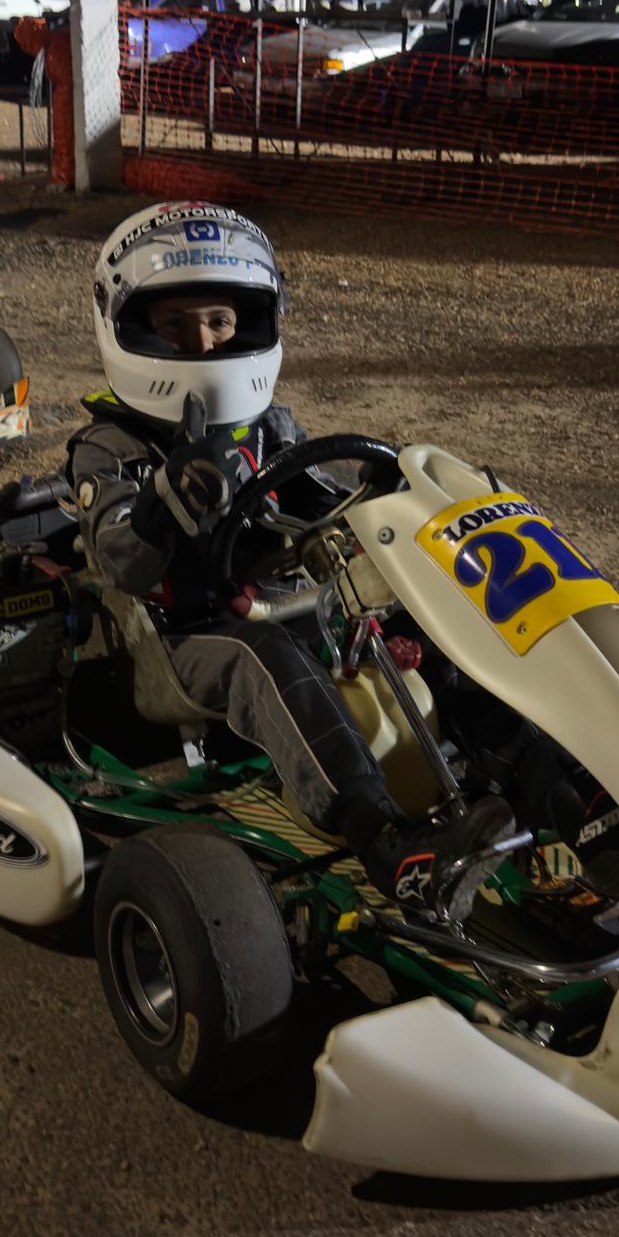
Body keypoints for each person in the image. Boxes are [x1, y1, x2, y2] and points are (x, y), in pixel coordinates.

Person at [67, 202, 515, 923]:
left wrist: (399, 511)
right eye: (176, 326)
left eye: (218, 322)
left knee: (435, 610)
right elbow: (123, 561)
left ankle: (544, 784)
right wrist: (162, 498)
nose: (204, 343)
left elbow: (324, 502)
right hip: (175, 640)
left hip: (286, 606)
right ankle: (387, 845)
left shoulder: (269, 427)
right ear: (131, 327)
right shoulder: (109, 445)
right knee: (266, 656)